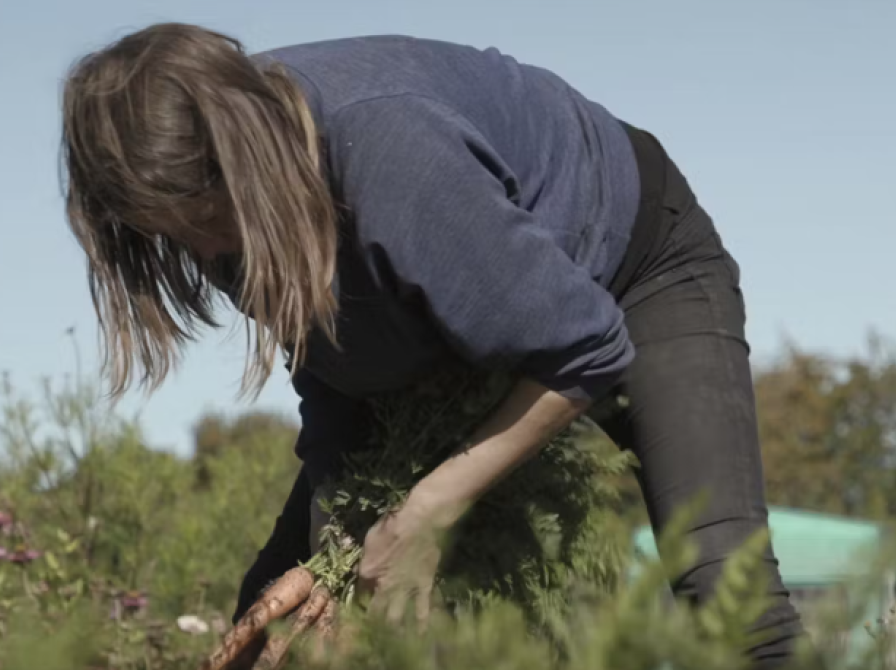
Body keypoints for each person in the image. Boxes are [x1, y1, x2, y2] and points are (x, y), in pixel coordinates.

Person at [61, 22, 815, 668]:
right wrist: (336, 553)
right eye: (166, 232)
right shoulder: (213, 211)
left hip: (631, 266)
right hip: (464, 317)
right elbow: (342, 378)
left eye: (199, 216)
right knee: (275, 616)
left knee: (725, 590)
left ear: (242, 157)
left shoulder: (391, 153)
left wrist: (424, 514)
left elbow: (584, 345)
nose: (197, 245)